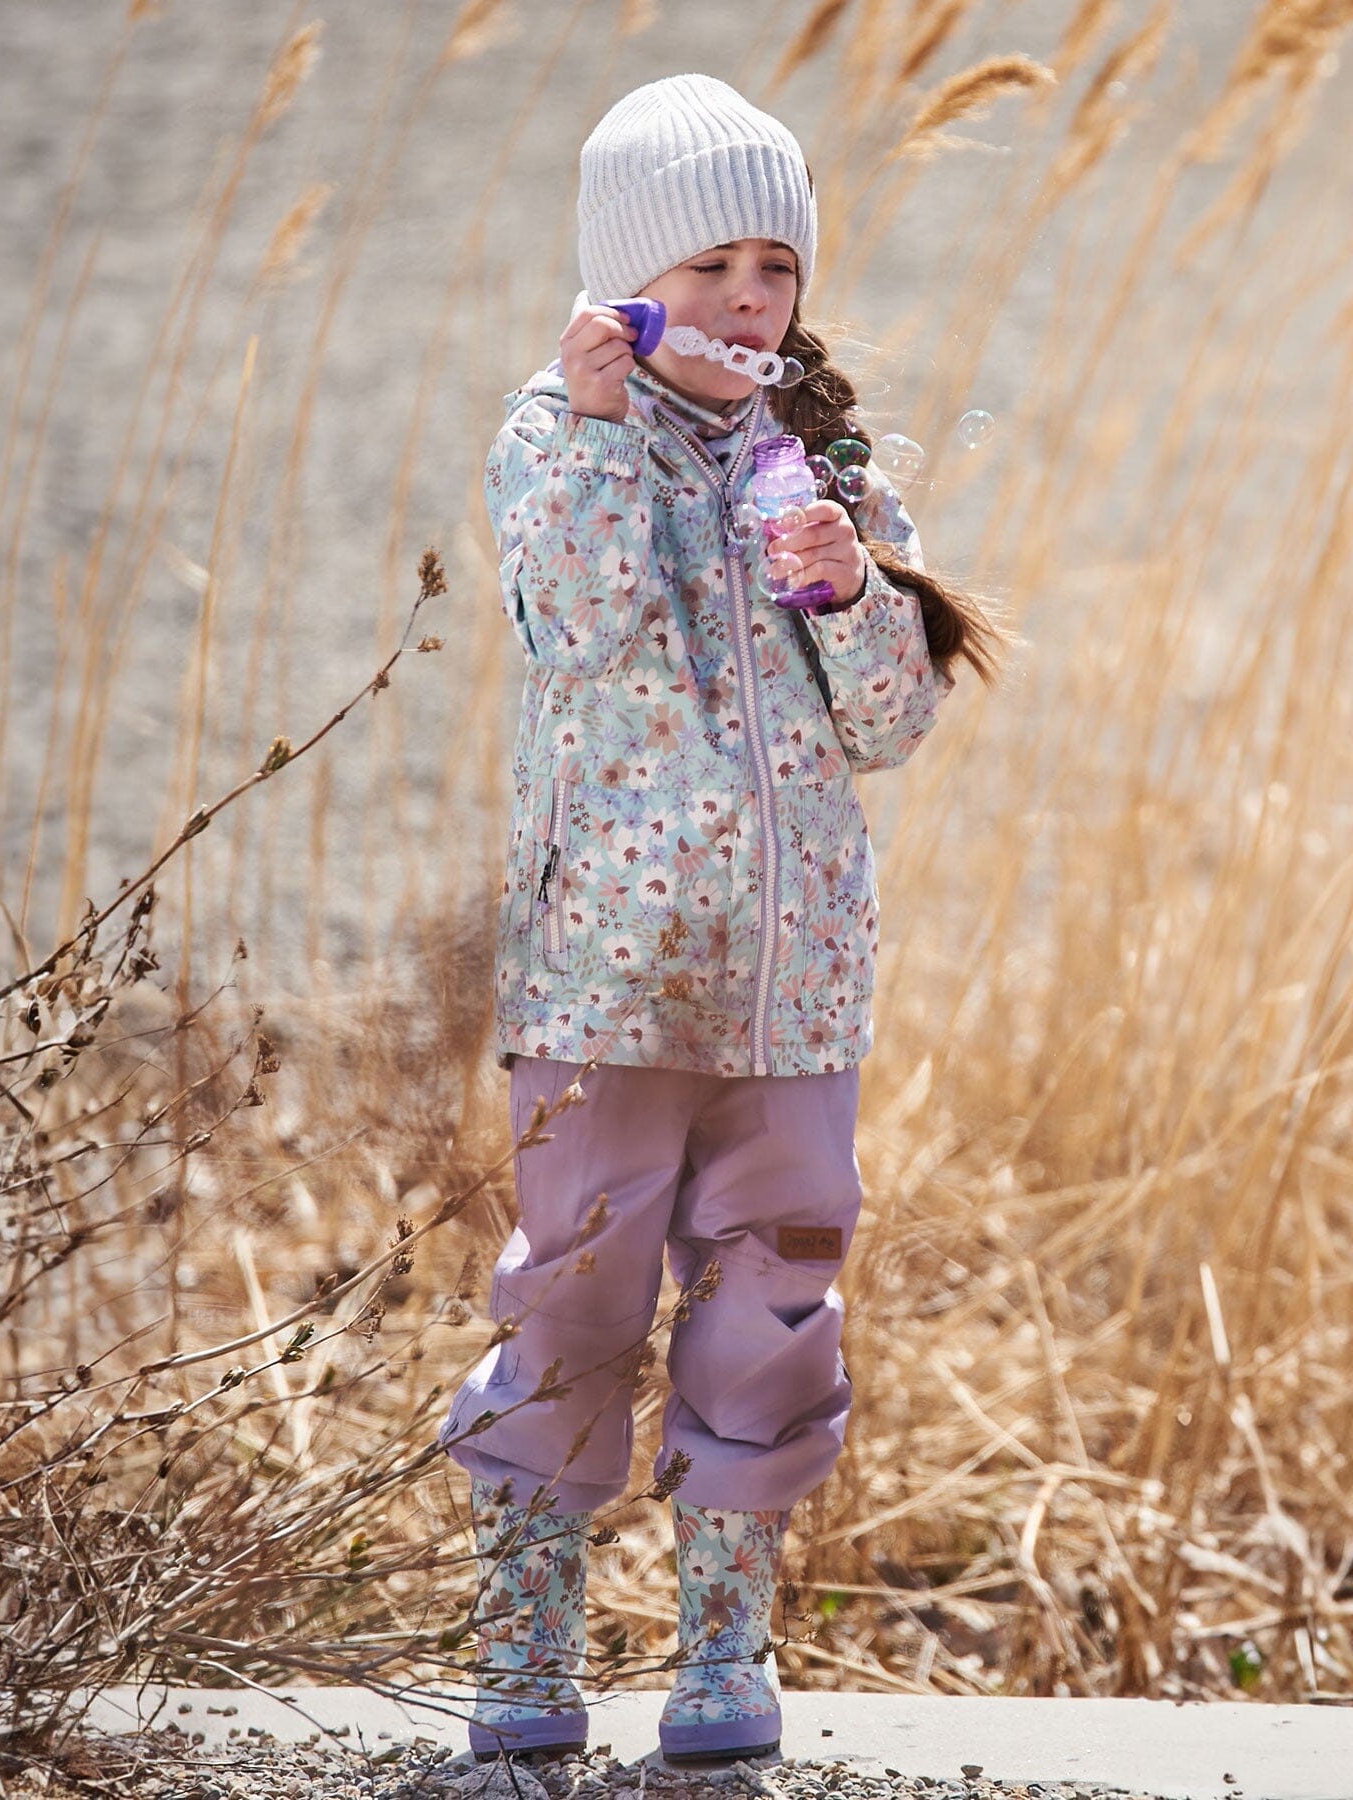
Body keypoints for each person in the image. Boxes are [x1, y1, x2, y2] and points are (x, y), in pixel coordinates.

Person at [438, 71, 1006, 1766]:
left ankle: (721, 1657)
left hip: (794, 992)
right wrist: (607, 429)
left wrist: (846, 591)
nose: (747, 301)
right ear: (624, 282)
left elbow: (892, 729)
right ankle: (528, 1655)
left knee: (774, 1310)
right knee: (575, 1301)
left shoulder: (822, 472)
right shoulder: (555, 436)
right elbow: (583, 629)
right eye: (705, 271)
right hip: (608, 982)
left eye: (774, 268)